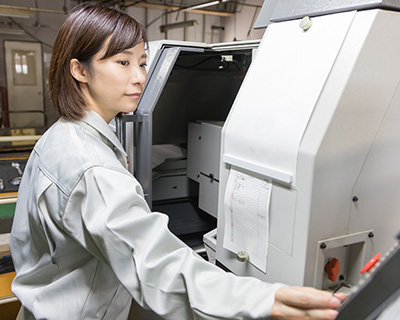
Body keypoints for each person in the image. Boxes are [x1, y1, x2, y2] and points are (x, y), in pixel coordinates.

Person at [9, 2, 345, 320]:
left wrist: (180, 150)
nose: (139, 76)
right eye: (122, 63)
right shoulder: (91, 168)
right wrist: (260, 299)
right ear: (79, 70)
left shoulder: (63, 137)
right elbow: (156, 263)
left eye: (142, 61)